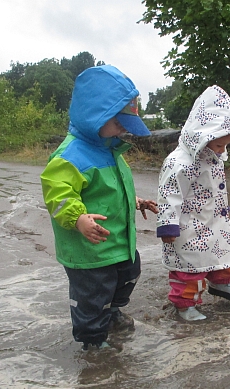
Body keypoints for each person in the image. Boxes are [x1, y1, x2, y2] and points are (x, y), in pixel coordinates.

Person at [40, 65, 158, 351]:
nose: (122, 130)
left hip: (117, 241)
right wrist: (78, 218)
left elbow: (112, 188)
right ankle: (92, 339)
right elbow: (57, 194)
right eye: (117, 122)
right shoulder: (70, 156)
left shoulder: (109, 149)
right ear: (94, 114)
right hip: (90, 249)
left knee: (130, 272)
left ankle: (111, 311)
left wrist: (136, 201)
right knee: (92, 293)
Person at [156, 85, 230, 321]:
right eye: (218, 145)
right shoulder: (179, 163)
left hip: (213, 221)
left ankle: (221, 282)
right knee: (189, 268)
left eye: (226, 145)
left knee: (224, 255)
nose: (222, 150)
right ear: (201, 136)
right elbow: (169, 193)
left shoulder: (213, 156)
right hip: (188, 228)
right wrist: (168, 225)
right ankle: (185, 303)